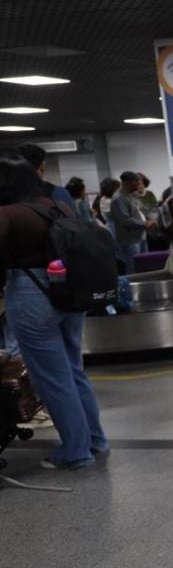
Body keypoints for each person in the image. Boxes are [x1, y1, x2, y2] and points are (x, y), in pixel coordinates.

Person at [0, 150, 107, 469]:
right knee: (73, 371)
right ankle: (96, 439)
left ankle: (75, 451)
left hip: (31, 294)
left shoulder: (7, 214)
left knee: (50, 377)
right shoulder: (56, 205)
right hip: (68, 292)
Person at [109, 171, 147, 274]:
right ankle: (132, 289)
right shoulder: (118, 199)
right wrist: (145, 224)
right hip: (129, 240)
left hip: (138, 237)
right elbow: (125, 220)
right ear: (127, 183)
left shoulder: (129, 196)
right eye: (136, 182)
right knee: (133, 269)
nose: (138, 185)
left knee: (141, 268)